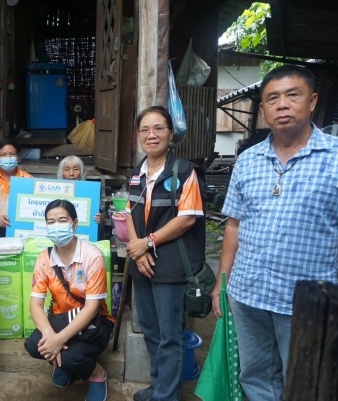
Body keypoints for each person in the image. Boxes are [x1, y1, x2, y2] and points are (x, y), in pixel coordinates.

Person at [212, 65, 338, 401]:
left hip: (306, 301)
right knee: (256, 376)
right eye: (272, 99)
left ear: (312, 101)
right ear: (263, 109)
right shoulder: (248, 160)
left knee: (307, 382)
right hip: (247, 294)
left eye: (292, 95)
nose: (282, 105)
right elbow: (234, 224)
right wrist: (222, 282)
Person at [125, 106, 205, 401]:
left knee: (170, 336)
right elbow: (128, 213)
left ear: (171, 133)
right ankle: (159, 387)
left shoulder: (184, 171)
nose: (152, 135)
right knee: (151, 330)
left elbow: (187, 218)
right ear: (138, 135)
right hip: (142, 264)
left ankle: (167, 396)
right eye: (145, 129)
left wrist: (147, 243)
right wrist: (137, 250)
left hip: (171, 266)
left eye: (159, 128)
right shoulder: (137, 174)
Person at [25, 199, 114, 401]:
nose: (56, 226)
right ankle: (62, 364)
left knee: (70, 357)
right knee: (34, 346)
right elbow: (36, 304)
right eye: (51, 222)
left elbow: (91, 308)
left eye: (62, 220)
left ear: (74, 224)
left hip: (94, 322)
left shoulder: (92, 256)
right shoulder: (44, 259)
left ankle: (96, 374)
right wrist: (50, 335)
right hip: (60, 318)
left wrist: (59, 340)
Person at [56, 155, 102, 225]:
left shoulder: (89, 191)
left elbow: (93, 214)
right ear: (62, 173)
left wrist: (98, 219)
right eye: (67, 170)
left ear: (81, 172)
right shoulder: (54, 190)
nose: (71, 174)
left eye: (75, 169)